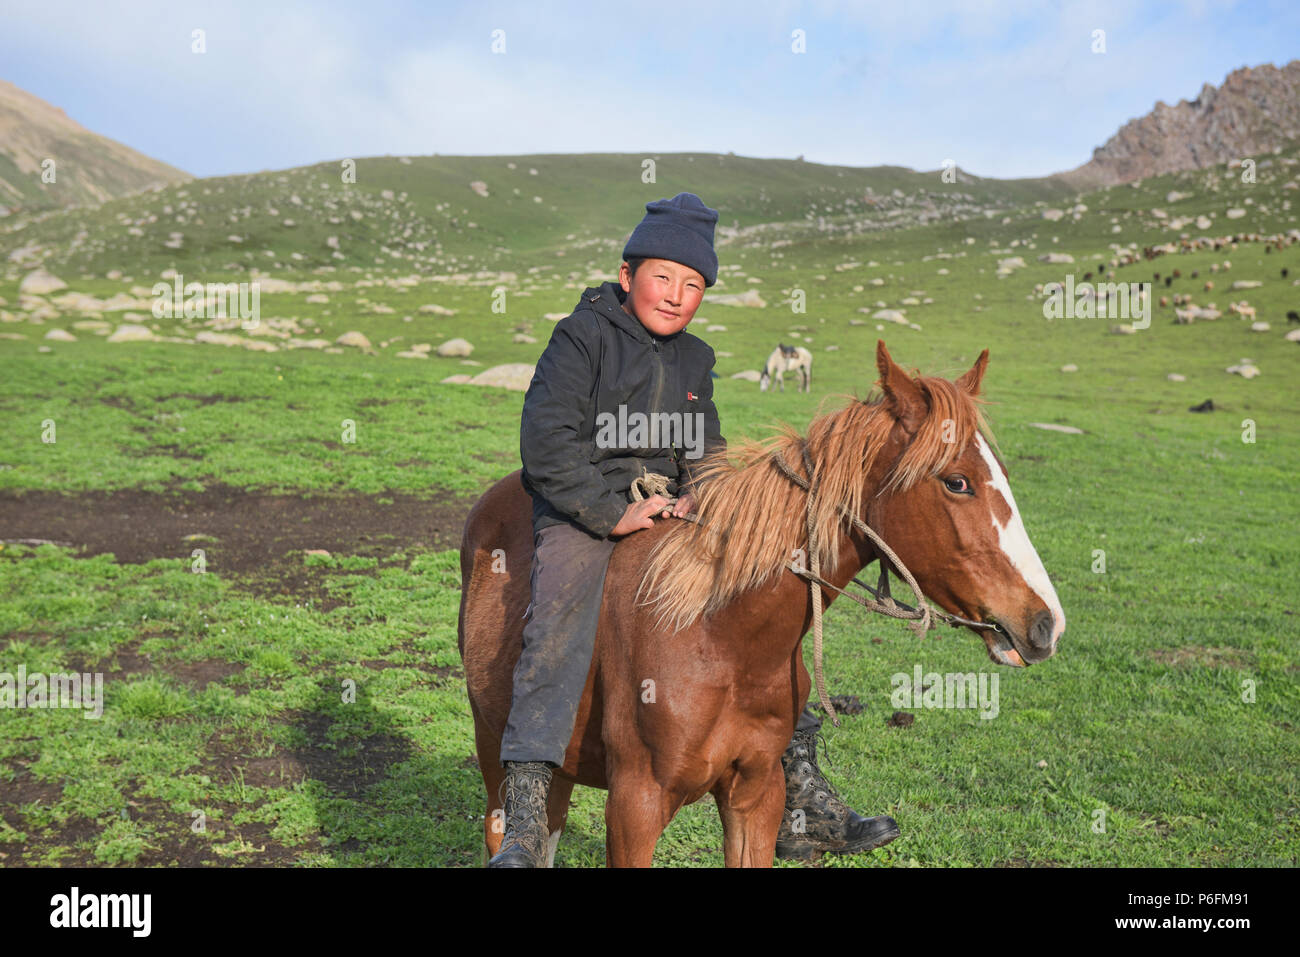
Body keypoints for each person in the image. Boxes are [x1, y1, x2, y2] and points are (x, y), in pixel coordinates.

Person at [490, 192, 898, 867]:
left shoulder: (695, 359)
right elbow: (546, 440)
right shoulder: (582, 337)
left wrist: (706, 497)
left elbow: (704, 447)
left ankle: (799, 791)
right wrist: (609, 509)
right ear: (628, 276)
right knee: (557, 612)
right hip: (581, 509)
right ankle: (529, 810)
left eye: (694, 284)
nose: (677, 295)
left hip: (672, 510)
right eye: (664, 276)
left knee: (765, 607)